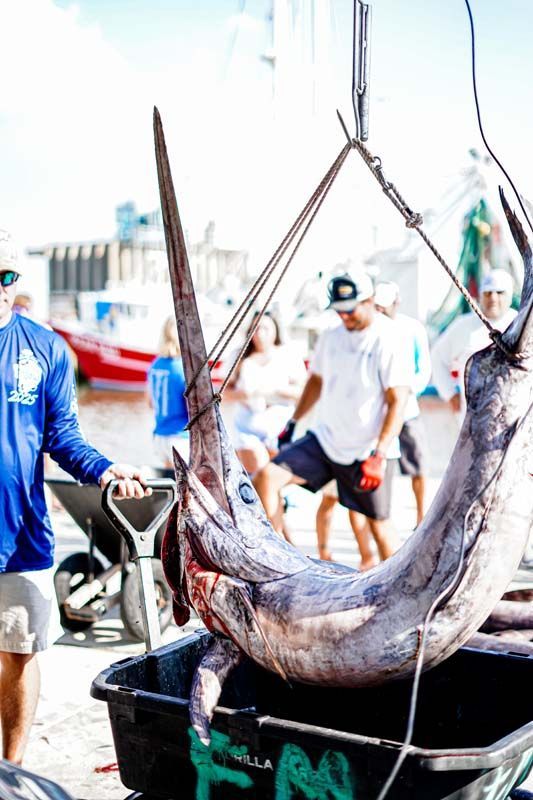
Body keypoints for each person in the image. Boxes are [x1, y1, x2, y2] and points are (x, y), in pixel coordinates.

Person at [0, 229, 151, 765]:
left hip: (19, 535)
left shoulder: (45, 349)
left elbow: (62, 437)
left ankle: (11, 770)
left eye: (6, 277)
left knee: (18, 651)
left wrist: (106, 468)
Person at [254, 271, 410, 561]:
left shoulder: (387, 338)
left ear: (369, 300)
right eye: (339, 310)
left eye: (350, 310)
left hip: (368, 450)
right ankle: (277, 562)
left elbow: (397, 400)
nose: (344, 317)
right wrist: (293, 423)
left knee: (380, 527)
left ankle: (407, 592)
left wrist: (380, 453)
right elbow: (316, 381)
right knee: (266, 477)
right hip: (326, 441)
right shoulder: (330, 336)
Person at [374, 281, 431, 526]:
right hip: (378, 414)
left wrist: (406, 395)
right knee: (381, 467)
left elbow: (424, 368)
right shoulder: (371, 330)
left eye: (385, 307)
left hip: (406, 412)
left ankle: (421, 517)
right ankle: (382, 517)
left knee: (418, 464)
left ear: (396, 302)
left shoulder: (413, 328)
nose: (381, 311)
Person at [223, 311, 306, 476]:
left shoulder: (288, 355)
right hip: (247, 429)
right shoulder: (239, 357)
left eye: (265, 328)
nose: (260, 333)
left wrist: (275, 390)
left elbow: (303, 393)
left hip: (281, 431)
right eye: (256, 328)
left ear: (275, 329)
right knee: (259, 472)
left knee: (274, 478)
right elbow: (224, 392)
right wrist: (245, 395)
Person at [432, 269, 517, 418]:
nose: (493, 298)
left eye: (499, 292)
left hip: (512, 415)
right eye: (488, 292)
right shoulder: (462, 326)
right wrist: (449, 393)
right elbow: (437, 357)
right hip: (472, 419)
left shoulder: (520, 324)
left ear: (509, 295)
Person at [147, 316, 189, 468]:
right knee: (187, 488)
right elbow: (191, 408)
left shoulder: (155, 365)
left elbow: (150, 403)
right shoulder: (183, 369)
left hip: (160, 436)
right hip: (180, 437)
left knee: (171, 482)